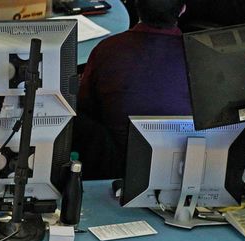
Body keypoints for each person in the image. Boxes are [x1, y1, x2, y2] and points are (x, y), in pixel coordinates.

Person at [74, 0, 192, 178]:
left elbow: (85, 104)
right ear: (182, 9)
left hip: (117, 166)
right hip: (183, 166)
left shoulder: (108, 49)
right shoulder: (199, 56)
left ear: (136, 5)